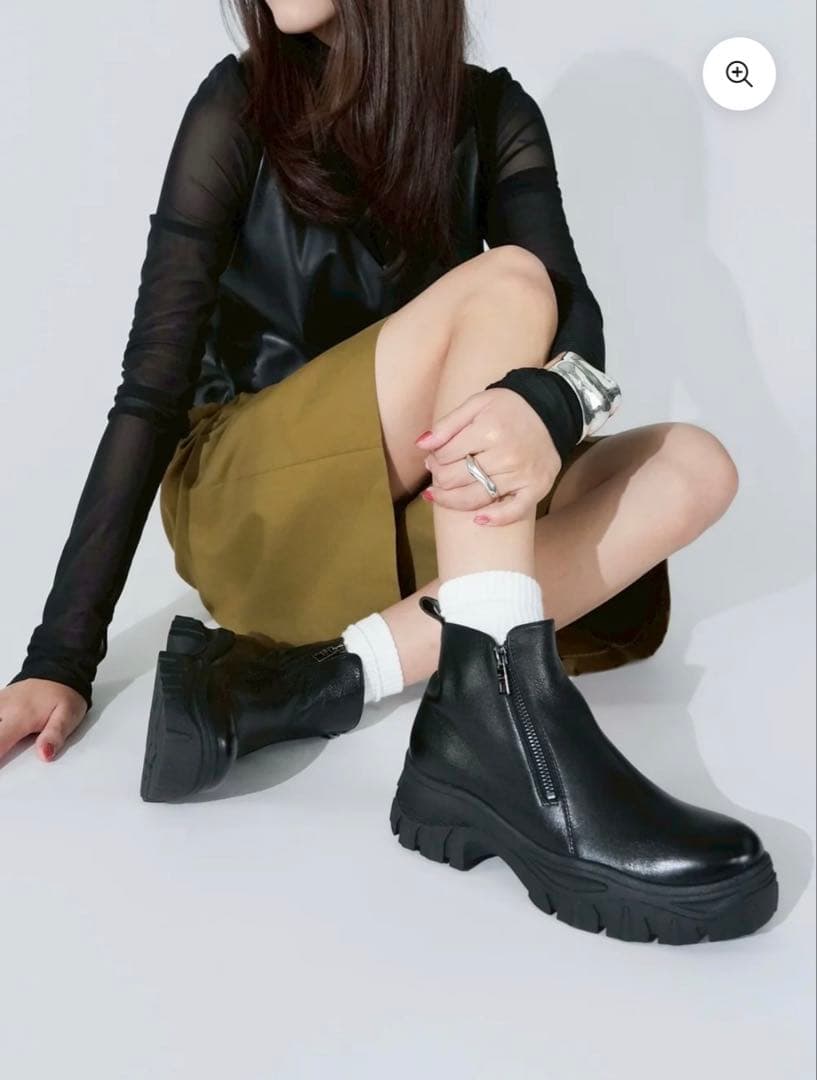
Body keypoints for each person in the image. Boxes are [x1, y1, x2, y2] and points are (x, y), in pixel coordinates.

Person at [1, 0, 777, 943]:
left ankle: (323, 681)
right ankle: (503, 713)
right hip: (252, 508)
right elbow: (149, 392)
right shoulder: (238, 104)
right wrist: (60, 659)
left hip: (395, 519)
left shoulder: (491, 114)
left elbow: (579, 325)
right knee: (510, 283)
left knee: (694, 465)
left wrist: (544, 407)